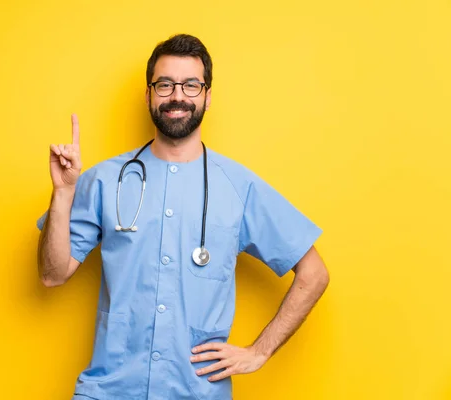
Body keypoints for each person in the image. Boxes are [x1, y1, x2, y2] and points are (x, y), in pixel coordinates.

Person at [36, 34, 330, 400]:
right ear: (148, 96)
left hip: (197, 393)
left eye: (191, 85)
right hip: (109, 391)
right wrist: (63, 195)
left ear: (207, 96)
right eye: (165, 84)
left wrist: (259, 351)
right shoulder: (103, 179)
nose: (177, 96)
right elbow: (52, 274)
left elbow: (314, 273)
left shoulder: (239, 186)